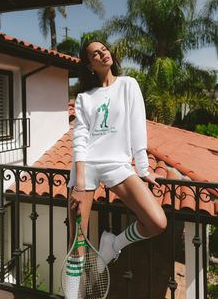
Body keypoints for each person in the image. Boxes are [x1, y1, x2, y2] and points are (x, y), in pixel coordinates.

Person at [66, 40, 167, 295]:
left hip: (117, 164)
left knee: (157, 222)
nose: (102, 53)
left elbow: (137, 128)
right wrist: (78, 185)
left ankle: (113, 244)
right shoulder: (84, 97)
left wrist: (143, 169)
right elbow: (79, 139)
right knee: (76, 243)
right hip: (86, 166)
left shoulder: (128, 84)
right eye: (94, 54)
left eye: (104, 49)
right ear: (90, 65)